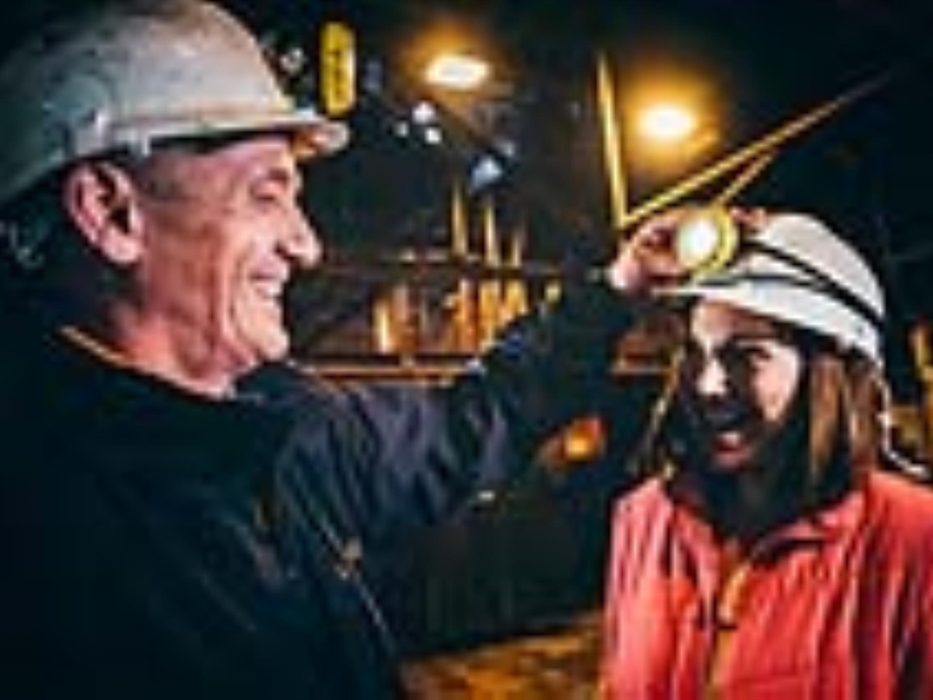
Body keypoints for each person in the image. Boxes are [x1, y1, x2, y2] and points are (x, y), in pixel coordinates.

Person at [0, 1, 685, 698]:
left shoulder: (282, 429)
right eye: (265, 195)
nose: (307, 243)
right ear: (112, 214)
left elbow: (474, 419)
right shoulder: (35, 543)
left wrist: (615, 291)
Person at [600, 207, 933, 699]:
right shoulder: (645, 520)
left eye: (747, 354)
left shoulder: (913, 543)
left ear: (830, 372)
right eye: (694, 353)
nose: (708, 384)